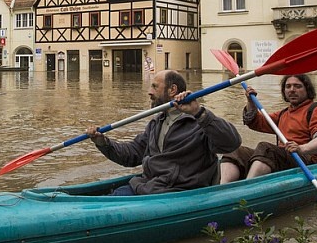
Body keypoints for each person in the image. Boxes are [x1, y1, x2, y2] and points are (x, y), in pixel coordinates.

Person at [86, 69, 241, 195]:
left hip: (177, 192)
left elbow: (232, 142)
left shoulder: (200, 122)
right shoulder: (156, 122)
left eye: (154, 86)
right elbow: (132, 155)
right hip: (150, 187)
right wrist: (102, 142)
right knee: (117, 194)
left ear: (172, 89)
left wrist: (198, 112)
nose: (149, 92)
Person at [219, 73, 317, 183]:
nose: (292, 90)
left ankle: (248, 188)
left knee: (266, 148)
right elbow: (255, 122)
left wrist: (301, 148)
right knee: (235, 150)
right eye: (288, 86)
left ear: (307, 90)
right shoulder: (283, 114)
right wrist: (251, 102)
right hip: (284, 158)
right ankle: (223, 189)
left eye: (297, 86)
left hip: (308, 162)